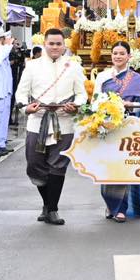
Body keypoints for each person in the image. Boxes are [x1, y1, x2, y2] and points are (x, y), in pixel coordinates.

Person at [15, 27, 87, 226]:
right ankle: (47, 204)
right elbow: (21, 94)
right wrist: (26, 107)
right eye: (51, 44)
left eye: (58, 44)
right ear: (44, 44)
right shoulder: (32, 66)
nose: (55, 47)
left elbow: (82, 94)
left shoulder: (73, 67)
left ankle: (52, 209)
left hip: (63, 122)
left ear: (64, 45)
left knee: (58, 166)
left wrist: (76, 106)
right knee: (35, 165)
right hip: (37, 121)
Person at [94, 41, 140, 222]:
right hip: (107, 125)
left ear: (129, 56)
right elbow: (95, 101)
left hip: (128, 126)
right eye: (115, 53)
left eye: (122, 53)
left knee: (123, 165)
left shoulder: (136, 78)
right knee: (108, 166)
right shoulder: (102, 77)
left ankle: (121, 209)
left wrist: (129, 105)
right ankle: (110, 204)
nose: (118, 56)